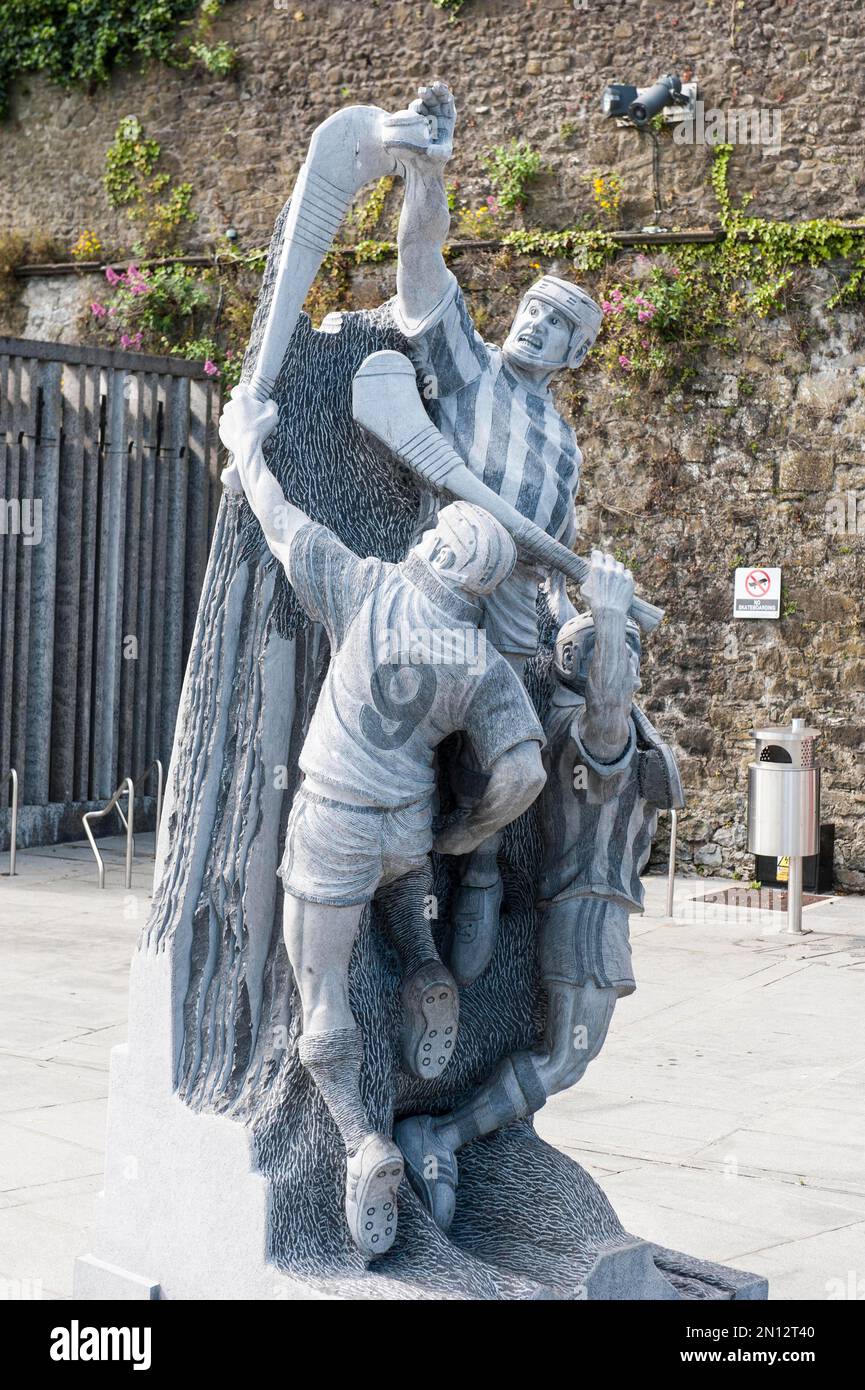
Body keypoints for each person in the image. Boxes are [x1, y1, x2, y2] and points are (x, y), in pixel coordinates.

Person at [218, 385, 547, 1258]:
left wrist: (245, 442)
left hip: (333, 815)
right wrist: (468, 835)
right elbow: (523, 770)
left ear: (432, 551)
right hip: (408, 826)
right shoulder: (479, 660)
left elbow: (279, 519)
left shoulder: (365, 590)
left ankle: (359, 1141)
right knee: (405, 895)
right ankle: (427, 967)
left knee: (319, 991)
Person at [394, 551, 684, 1231]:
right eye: (621, 655)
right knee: (565, 1057)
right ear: (586, 663)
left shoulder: (575, 713)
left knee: (566, 1056)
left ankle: (453, 1134)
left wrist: (571, 601)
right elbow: (612, 711)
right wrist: (609, 614)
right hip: (587, 913)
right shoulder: (584, 733)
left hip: (593, 910)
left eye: (632, 653)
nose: (633, 667)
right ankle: (442, 1137)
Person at [390, 80, 604, 983]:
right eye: (533, 306)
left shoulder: (565, 447)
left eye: (557, 324)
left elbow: (552, 563)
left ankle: (477, 863)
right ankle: (391, 870)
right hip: (440, 574)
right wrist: (428, 173)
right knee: (399, 719)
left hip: (517, 602)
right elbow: (419, 264)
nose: (534, 321)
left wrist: (570, 614)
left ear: (572, 355)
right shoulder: (468, 368)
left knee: (519, 754)